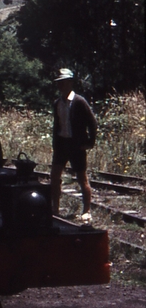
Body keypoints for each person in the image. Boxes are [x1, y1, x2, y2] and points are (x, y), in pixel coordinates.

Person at [50, 68, 97, 221]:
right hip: (62, 144)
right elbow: (57, 125)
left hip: (76, 145)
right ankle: (55, 209)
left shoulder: (79, 101)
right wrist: (55, 144)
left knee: (81, 178)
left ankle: (87, 211)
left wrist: (90, 142)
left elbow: (92, 123)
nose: (60, 86)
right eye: (59, 83)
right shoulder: (57, 103)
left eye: (63, 82)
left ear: (70, 83)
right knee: (54, 176)